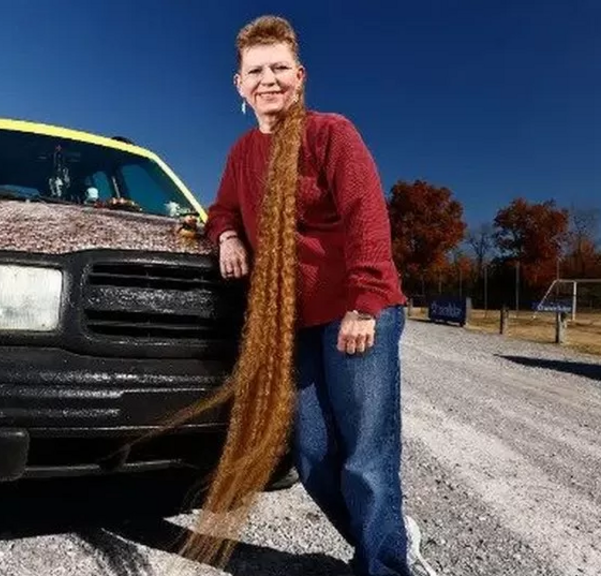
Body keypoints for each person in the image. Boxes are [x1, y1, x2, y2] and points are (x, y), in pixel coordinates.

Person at [181, 14, 439, 576]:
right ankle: (388, 539)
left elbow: (367, 216)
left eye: (278, 68)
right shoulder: (242, 154)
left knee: (367, 454)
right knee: (313, 453)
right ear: (239, 84)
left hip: (358, 314)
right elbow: (222, 207)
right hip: (294, 324)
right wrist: (226, 234)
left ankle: (384, 566)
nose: (267, 79)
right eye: (256, 70)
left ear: (299, 76)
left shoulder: (331, 134)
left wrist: (365, 303)